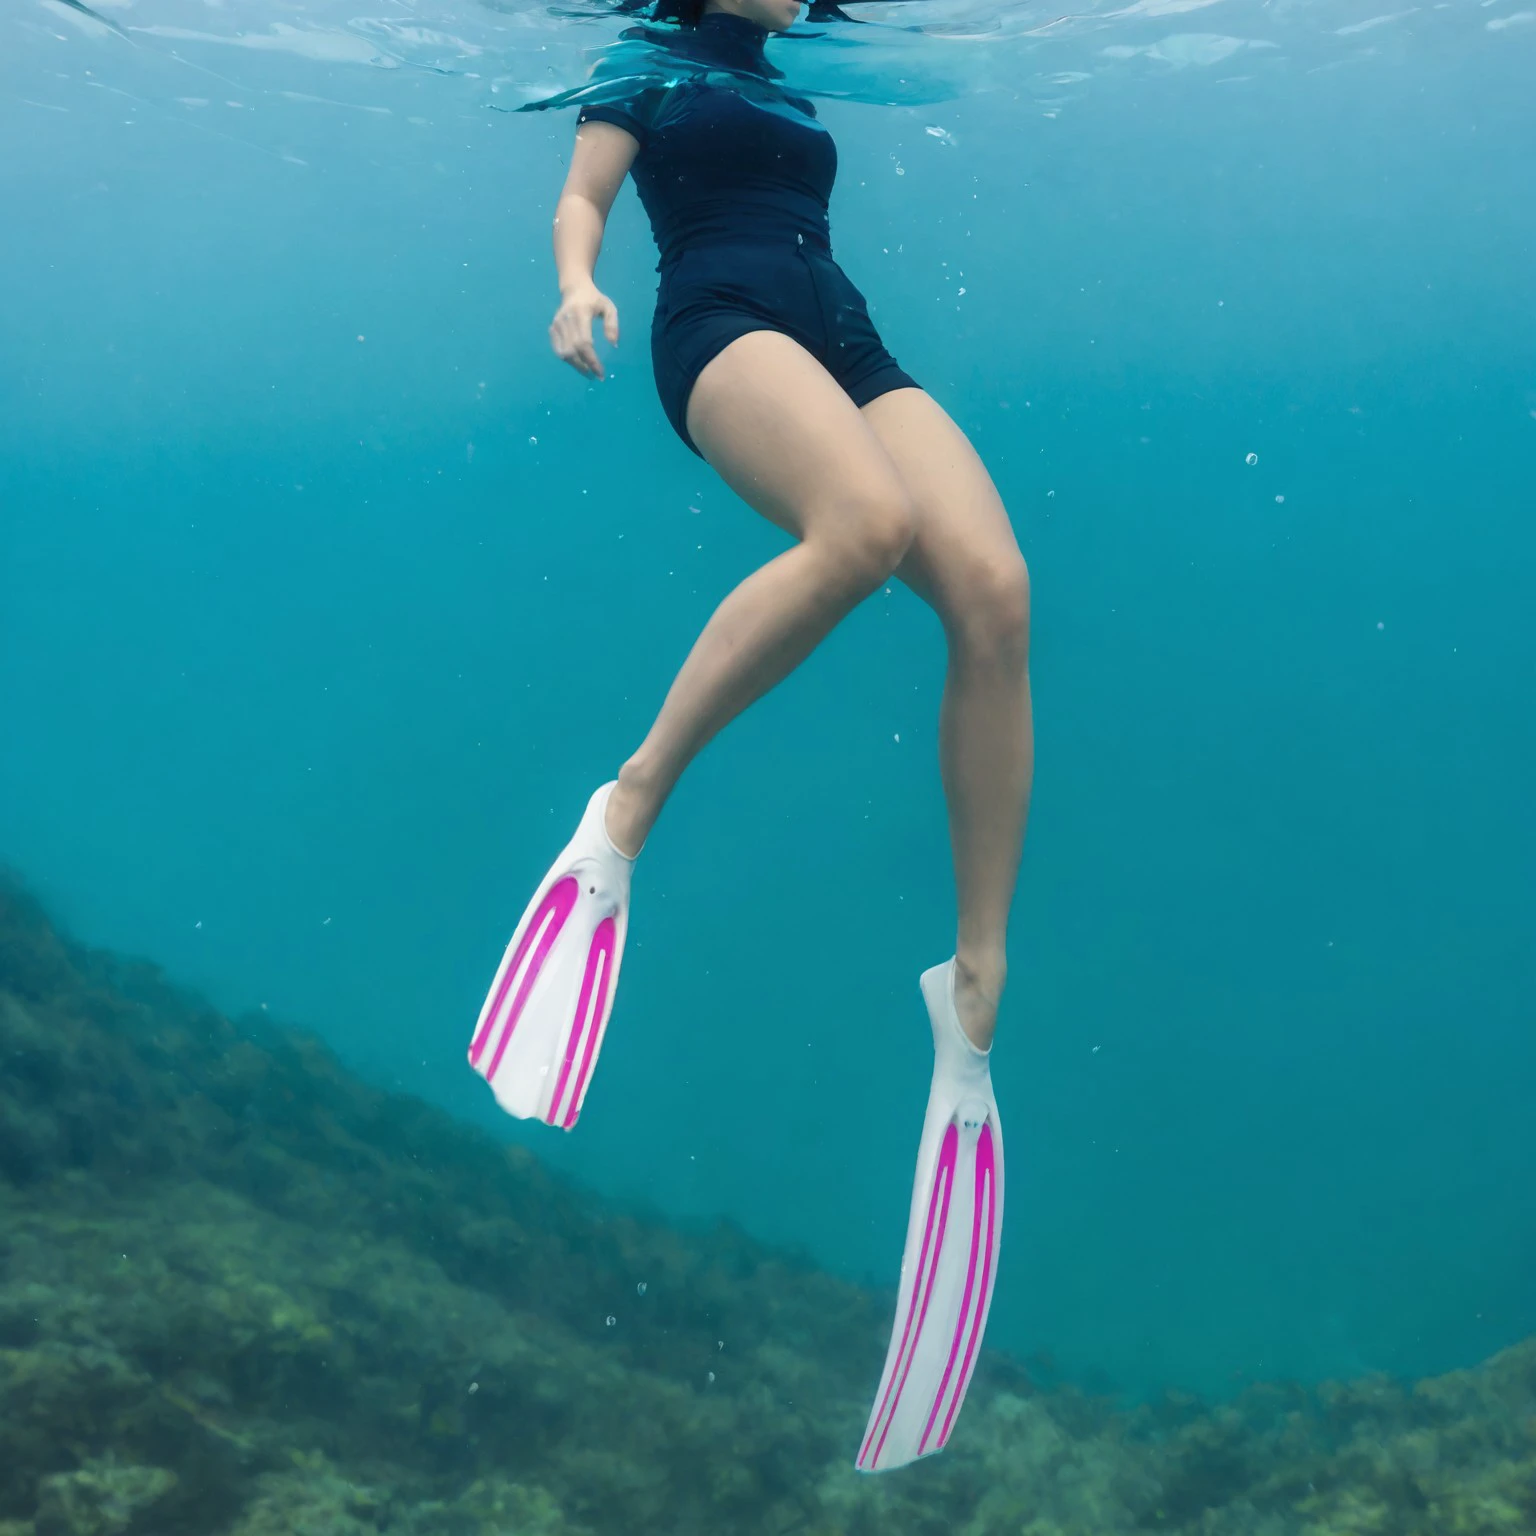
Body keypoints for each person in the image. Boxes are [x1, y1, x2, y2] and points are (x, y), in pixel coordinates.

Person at [467, 0, 1032, 1471]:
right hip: (717, 326)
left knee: (993, 594)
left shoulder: (793, 72)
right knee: (865, 529)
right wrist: (575, 287)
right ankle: (626, 811)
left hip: (845, 333)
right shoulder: (639, 67)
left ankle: (975, 978)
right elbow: (584, 196)